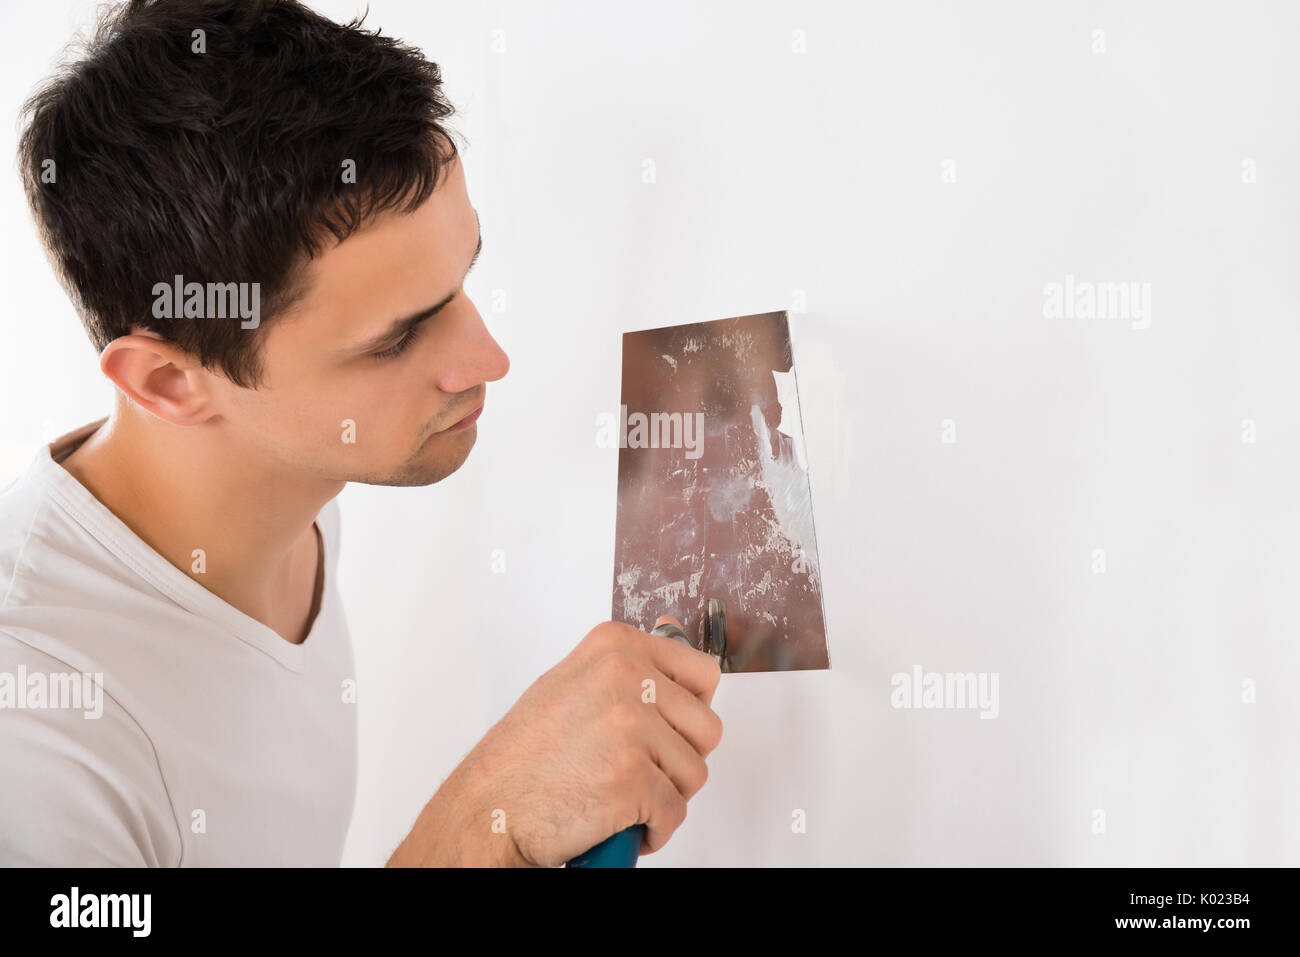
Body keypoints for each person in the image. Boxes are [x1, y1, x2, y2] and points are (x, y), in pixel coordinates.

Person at [0, 0, 722, 867]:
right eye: (396, 337)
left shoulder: (285, 487)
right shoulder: (39, 737)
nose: (489, 359)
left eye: (461, 281)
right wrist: (478, 825)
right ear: (169, 381)